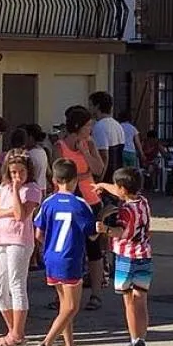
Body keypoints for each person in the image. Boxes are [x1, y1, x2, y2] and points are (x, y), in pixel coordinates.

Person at [31, 158, 99, 346]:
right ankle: (45, 345)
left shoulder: (48, 202)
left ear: (54, 180)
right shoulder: (80, 204)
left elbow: (38, 233)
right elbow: (92, 236)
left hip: (51, 257)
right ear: (75, 180)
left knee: (63, 306)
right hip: (70, 258)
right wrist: (102, 225)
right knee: (71, 307)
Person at [0, 149, 42, 346]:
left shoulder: (32, 189)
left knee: (16, 284)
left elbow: (20, 215)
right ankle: (13, 330)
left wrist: (17, 190)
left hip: (19, 241)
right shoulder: (3, 188)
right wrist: (7, 210)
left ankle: (17, 333)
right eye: (13, 172)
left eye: (20, 172)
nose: (16, 176)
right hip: (2, 240)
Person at [95, 167, 153, 346]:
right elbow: (119, 188)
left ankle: (134, 339)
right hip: (144, 254)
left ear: (122, 189)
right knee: (141, 299)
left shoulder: (125, 211)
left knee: (129, 300)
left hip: (126, 257)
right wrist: (103, 185)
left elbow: (120, 232)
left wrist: (105, 228)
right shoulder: (142, 202)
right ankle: (141, 340)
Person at [56, 106, 106, 311]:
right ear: (77, 127)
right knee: (67, 247)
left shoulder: (90, 144)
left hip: (90, 199)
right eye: (87, 126)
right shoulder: (59, 147)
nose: (90, 130)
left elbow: (99, 170)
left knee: (93, 248)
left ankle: (95, 293)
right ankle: (62, 296)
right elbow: (59, 174)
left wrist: (85, 152)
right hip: (68, 201)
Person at [89, 91, 126, 185]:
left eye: (90, 105)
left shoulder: (100, 126)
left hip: (107, 177)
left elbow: (104, 156)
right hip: (117, 175)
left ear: (97, 106)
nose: (89, 108)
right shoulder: (117, 125)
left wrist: (99, 180)